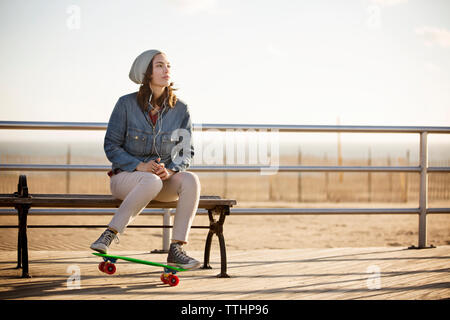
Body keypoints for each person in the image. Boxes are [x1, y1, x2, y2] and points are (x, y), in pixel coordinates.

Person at [90, 49, 201, 270]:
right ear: (147, 72)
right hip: (126, 179)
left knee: (191, 180)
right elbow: (111, 146)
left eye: (168, 65)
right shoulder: (125, 104)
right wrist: (140, 166)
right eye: (159, 65)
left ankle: (176, 249)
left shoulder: (181, 109)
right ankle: (110, 234)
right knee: (150, 180)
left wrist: (170, 171)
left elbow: (186, 151)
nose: (166, 69)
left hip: (162, 182)